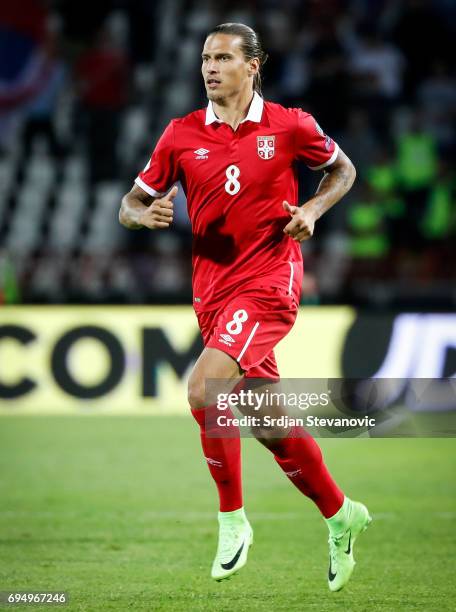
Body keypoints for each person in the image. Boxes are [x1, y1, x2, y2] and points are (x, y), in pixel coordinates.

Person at [119, 23, 371, 592]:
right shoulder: (181, 135)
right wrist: (143, 215)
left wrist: (312, 210)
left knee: (205, 390)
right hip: (212, 293)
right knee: (268, 422)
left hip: (269, 281)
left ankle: (232, 521)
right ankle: (341, 514)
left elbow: (343, 170)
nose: (210, 67)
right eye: (206, 58)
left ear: (253, 65)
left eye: (224, 58)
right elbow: (129, 202)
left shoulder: (290, 125)